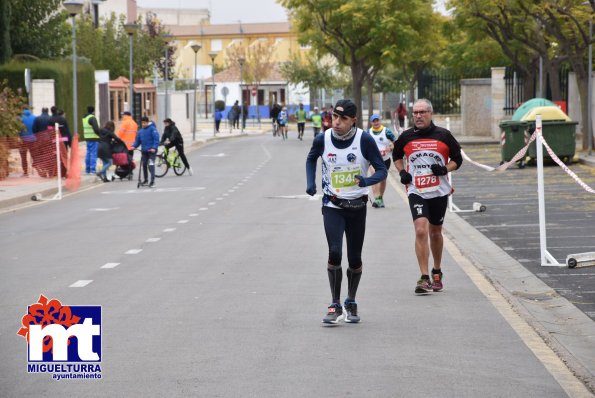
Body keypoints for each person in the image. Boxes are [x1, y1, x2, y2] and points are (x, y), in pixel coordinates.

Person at [305, 99, 387, 324]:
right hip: (332, 205)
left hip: (357, 207)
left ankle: (351, 300)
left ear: (353, 120)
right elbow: (311, 158)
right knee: (334, 252)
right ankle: (335, 303)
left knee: (354, 258)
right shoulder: (323, 139)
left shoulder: (364, 139)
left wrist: (367, 180)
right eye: (334, 117)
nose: (336, 122)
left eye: (342, 118)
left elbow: (382, 169)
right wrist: (310, 182)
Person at [392, 98, 463, 294]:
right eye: (415, 112)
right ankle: (424, 277)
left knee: (435, 232)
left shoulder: (444, 135)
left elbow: (458, 159)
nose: (418, 116)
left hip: (438, 191)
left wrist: (444, 169)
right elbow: (396, 156)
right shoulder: (406, 137)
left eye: (422, 112)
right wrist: (402, 172)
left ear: (430, 114)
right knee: (421, 229)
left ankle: (437, 271)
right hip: (416, 190)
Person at [367, 114, 396, 208]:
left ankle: (380, 198)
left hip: (385, 159)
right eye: (373, 121)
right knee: (374, 175)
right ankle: (376, 198)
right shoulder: (368, 133)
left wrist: (390, 148)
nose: (376, 123)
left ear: (380, 121)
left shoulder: (386, 131)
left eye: (377, 120)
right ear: (371, 122)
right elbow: (364, 145)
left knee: (382, 179)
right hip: (373, 159)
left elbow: (396, 143)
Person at [131, 116, 160, 187]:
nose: (143, 124)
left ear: (147, 122)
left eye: (144, 123)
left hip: (151, 151)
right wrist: (134, 146)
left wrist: (154, 147)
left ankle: (152, 181)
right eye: (142, 123)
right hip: (144, 151)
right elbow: (137, 141)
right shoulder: (140, 131)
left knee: (151, 165)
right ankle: (146, 180)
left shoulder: (153, 129)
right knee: (144, 165)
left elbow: (156, 139)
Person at [82, 106, 101, 174]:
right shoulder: (92, 118)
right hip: (94, 138)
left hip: (87, 137)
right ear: (93, 111)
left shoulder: (85, 118)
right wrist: (100, 135)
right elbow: (96, 129)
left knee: (88, 153)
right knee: (93, 154)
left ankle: (87, 169)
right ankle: (93, 169)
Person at [19, 108, 37, 177]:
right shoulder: (34, 117)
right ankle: (38, 169)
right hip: (33, 139)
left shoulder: (21, 118)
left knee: (23, 156)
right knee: (34, 155)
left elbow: (19, 129)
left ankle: (25, 172)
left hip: (23, 139)